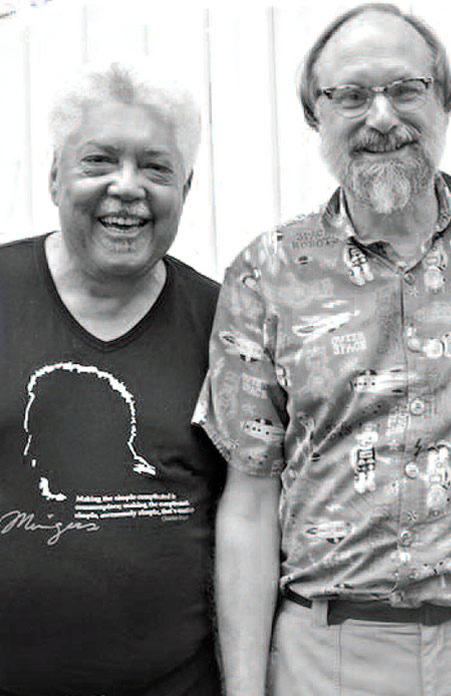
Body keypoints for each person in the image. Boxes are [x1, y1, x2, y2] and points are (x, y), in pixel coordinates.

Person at [193, 4, 451, 695]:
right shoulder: (267, 270)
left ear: (446, 100)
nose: (381, 118)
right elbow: (248, 500)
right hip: (329, 651)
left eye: (406, 89)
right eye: (349, 95)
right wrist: (245, 687)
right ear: (315, 116)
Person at [0, 62, 224, 695]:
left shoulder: (228, 326)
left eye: (155, 168)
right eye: (99, 162)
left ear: (186, 185)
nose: (127, 188)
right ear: (53, 176)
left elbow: (257, 514)